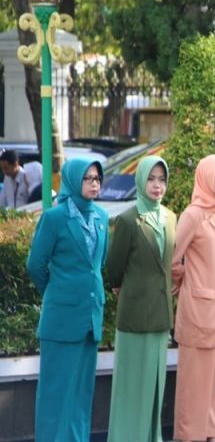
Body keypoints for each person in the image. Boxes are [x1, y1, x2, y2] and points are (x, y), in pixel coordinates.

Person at [26, 157, 108, 441]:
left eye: (97, 178)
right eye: (88, 178)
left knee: (81, 395)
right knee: (55, 396)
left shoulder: (102, 217)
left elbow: (99, 263)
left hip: (90, 317)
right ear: (74, 181)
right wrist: (57, 291)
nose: (94, 183)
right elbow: (35, 264)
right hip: (61, 320)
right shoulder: (54, 217)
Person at [106, 156, 177, 442]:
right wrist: (120, 286)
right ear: (140, 180)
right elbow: (114, 266)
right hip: (134, 315)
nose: (157, 185)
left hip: (160, 315)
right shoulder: (127, 219)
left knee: (155, 385)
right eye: (151, 178)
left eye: (161, 179)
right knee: (131, 386)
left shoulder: (171, 217)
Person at [172, 154, 215, 442]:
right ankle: (189, 437)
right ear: (206, 177)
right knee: (193, 384)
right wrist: (189, 281)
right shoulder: (193, 214)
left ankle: (211, 435)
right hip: (198, 310)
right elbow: (172, 260)